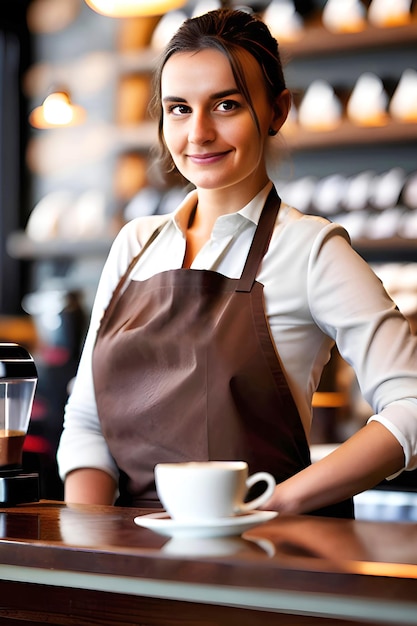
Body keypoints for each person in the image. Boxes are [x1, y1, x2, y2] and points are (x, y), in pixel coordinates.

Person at [57, 8, 417, 517]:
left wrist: (276, 502)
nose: (198, 133)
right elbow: (89, 423)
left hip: (264, 560)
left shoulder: (311, 249)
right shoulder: (134, 244)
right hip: (132, 558)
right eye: (179, 108)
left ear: (277, 110)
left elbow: (412, 407)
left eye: (225, 105)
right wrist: (93, 548)